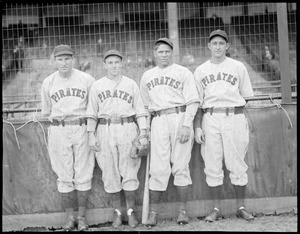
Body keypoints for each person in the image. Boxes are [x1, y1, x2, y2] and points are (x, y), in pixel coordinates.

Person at [193, 29, 255, 222]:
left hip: (233, 116)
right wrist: (197, 127)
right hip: (210, 118)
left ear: (227, 46)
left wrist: (237, 118)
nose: (218, 46)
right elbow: (197, 102)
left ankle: (241, 207)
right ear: (209, 46)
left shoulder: (238, 67)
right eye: (214, 43)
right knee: (212, 164)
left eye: (221, 43)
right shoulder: (201, 70)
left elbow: (246, 96)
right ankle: (216, 209)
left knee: (236, 163)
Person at [139, 38, 200, 226]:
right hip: (158, 120)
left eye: (167, 51)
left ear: (172, 53)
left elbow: (193, 101)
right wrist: (146, 130)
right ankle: (154, 213)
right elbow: (145, 106)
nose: (164, 55)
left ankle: (182, 211)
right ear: (154, 53)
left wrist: (186, 125)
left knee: (181, 166)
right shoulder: (147, 75)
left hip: (179, 117)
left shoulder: (183, 72)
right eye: (160, 51)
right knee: (158, 168)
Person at [86, 49, 148, 228]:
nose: (114, 65)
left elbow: (140, 111)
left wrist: (143, 133)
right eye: (110, 62)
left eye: (117, 62)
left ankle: (131, 212)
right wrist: (91, 135)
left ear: (122, 63)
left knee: (129, 171)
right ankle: (117, 213)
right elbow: (92, 113)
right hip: (104, 129)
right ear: (104, 65)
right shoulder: (97, 85)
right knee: (109, 173)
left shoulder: (131, 84)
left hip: (127, 127)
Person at [41, 44, 96, 231]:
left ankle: (81, 218)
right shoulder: (48, 82)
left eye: (67, 58)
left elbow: (93, 110)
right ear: (54, 61)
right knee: (63, 175)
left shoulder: (87, 79)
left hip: (81, 126)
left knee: (83, 172)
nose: (64, 63)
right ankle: (70, 219)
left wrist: (91, 132)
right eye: (60, 59)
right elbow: (46, 111)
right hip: (59, 129)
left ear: (73, 59)